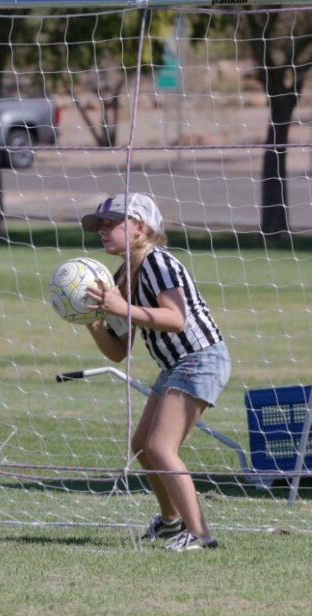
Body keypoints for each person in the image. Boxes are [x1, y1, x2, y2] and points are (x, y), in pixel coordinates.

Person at [82, 192, 230, 551]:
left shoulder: (158, 263)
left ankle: (200, 534)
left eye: (112, 224)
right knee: (142, 446)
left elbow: (176, 319)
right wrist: (92, 322)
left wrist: (123, 307)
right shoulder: (124, 275)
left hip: (200, 357)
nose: (103, 231)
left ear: (139, 227)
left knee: (161, 447)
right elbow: (119, 352)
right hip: (175, 364)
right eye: (100, 225)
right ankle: (170, 521)